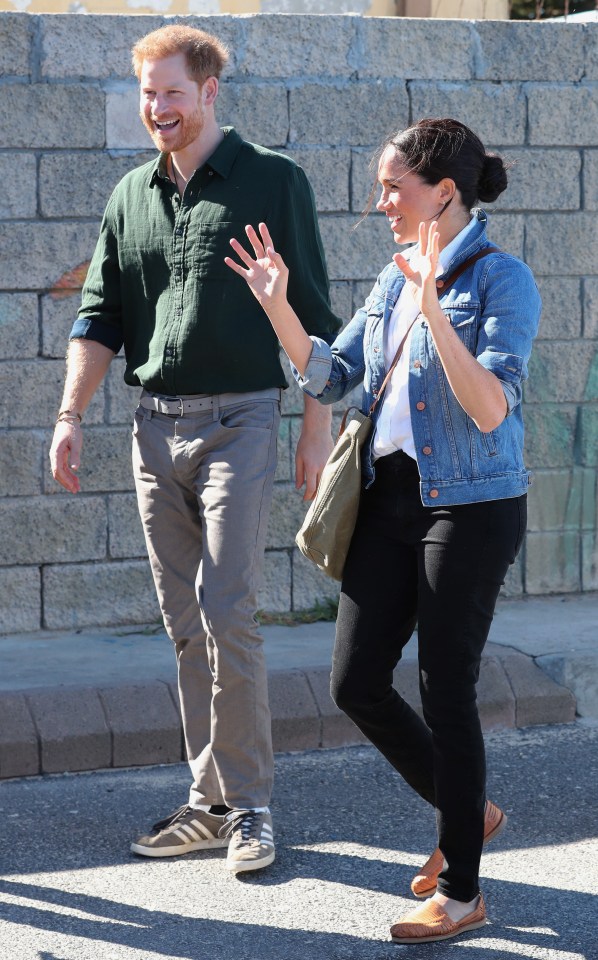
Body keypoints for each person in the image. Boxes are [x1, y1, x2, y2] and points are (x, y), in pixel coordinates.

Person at [225, 118, 541, 940]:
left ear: (443, 192)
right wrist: (279, 308)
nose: (380, 203)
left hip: (470, 505)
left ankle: (465, 893)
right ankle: (468, 809)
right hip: (390, 497)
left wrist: (436, 307)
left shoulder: (503, 281)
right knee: (356, 681)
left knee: (446, 685)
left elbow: (491, 405)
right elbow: (337, 378)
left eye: (393, 187)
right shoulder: (391, 279)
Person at [49, 24, 340, 874]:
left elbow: (315, 317)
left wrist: (315, 428)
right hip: (154, 423)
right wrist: (71, 416)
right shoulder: (130, 195)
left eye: (171, 92)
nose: (157, 108)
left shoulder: (274, 181)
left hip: (241, 420)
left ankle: (251, 807)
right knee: (183, 624)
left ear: (209, 92)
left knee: (227, 610)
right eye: (147, 94)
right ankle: (209, 801)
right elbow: (98, 316)